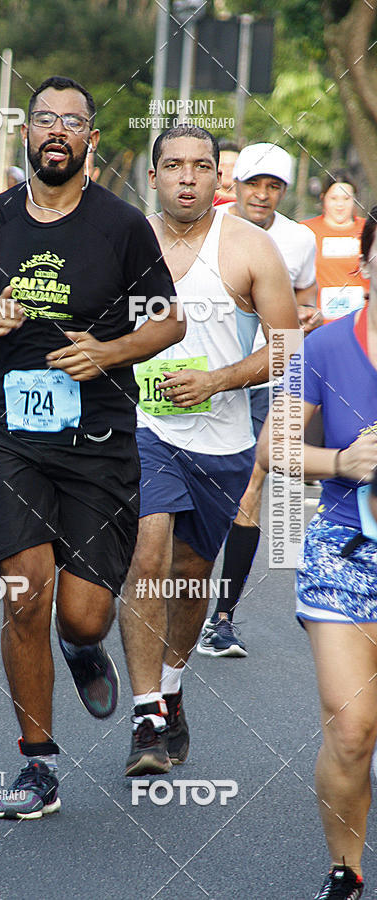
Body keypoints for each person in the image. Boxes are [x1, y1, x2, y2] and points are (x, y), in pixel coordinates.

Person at [0, 75, 185, 819]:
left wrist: (107, 353)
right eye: (43, 119)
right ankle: (38, 764)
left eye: (70, 122)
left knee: (81, 615)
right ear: (26, 133)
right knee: (24, 593)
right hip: (9, 433)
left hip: (99, 438)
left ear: (91, 139)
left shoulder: (121, 227)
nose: (56, 132)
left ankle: (84, 648)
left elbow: (168, 324)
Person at [118, 125, 299, 776]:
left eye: (200, 166)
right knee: (148, 553)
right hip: (144, 432)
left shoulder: (250, 248)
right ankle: (144, 717)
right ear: (154, 175)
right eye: (173, 166)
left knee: (192, 576)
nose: (187, 177)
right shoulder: (124, 242)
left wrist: (217, 381)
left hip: (223, 442)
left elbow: (288, 346)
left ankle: (169, 689)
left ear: (217, 180)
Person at [257, 209, 377, 900]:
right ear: (364, 265)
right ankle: (346, 871)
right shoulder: (327, 348)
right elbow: (274, 448)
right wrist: (341, 458)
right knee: (353, 729)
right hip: (346, 555)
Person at [198, 142, 321, 657]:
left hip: (269, 378)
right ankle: (175, 592)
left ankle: (222, 618)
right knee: (197, 488)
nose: (263, 195)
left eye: (274, 187)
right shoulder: (209, 227)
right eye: (254, 184)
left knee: (252, 483)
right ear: (236, 185)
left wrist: (305, 316)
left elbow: (309, 300)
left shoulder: (298, 240)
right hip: (204, 374)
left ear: (284, 192)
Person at [302, 170, 368, 323]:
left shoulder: (370, 230)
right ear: (323, 198)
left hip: (361, 324)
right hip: (316, 324)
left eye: (346, 198)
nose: (340, 205)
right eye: (333, 198)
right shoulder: (305, 231)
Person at [213, 139, 238, 205]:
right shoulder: (205, 201)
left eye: (233, 165)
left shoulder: (249, 202)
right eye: (222, 165)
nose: (228, 170)